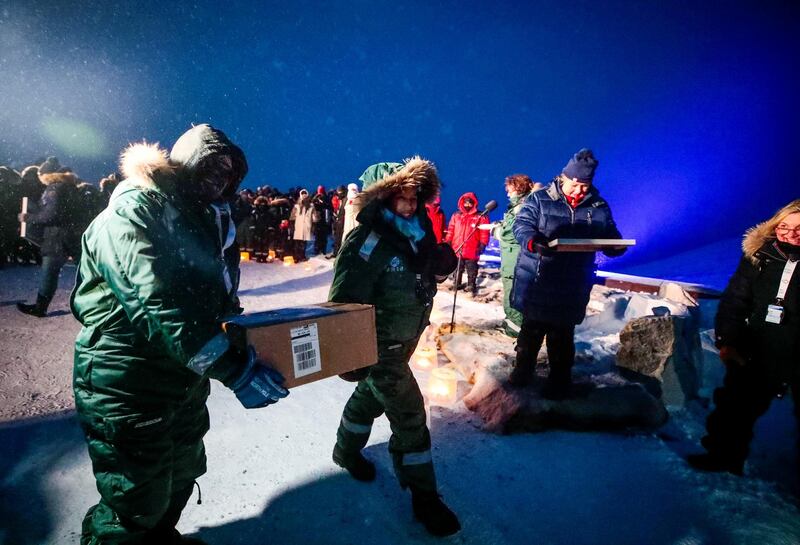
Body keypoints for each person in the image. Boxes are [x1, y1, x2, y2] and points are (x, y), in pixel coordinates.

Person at [71, 124, 289, 545]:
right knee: (134, 498)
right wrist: (232, 368)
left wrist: (245, 339)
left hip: (182, 377)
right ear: (184, 164)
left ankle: (159, 537)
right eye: (210, 166)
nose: (219, 178)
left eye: (228, 172)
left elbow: (214, 294)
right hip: (128, 379)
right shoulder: (135, 211)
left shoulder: (201, 218)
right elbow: (157, 305)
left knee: (181, 472)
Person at [329, 157, 461, 537]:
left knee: (369, 398)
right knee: (409, 417)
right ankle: (425, 498)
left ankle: (346, 451)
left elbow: (420, 284)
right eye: (399, 197)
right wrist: (347, 351)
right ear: (381, 199)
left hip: (407, 338)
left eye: (413, 197)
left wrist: (437, 269)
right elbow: (344, 300)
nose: (408, 204)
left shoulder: (418, 232)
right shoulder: (367, 241)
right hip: (379, 344)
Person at [688, 199, 800, 477]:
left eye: (799, 228)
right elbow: (736, 300)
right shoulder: (761, 256)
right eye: (784, 226)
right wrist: (728, 341)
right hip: (758, 346)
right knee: (734, 408)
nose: (790, 234)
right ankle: (723, 457)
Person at [510, 149, 626, 398]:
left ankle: (559, 382)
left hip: (573, 282)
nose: (580, 191)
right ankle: (522, 372)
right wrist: (533, 241)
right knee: (531, 331)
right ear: (564, 178)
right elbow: (521, 226)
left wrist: (616, 245)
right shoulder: (540, 199)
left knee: (562, 336)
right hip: (539, 280)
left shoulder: (597, 206)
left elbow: (610, 233)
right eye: (575, 185)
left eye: (585, 186)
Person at [16, 171, 83, 317]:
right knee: (83, 272)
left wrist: (29, 217)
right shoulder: (72, 188)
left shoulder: (54, 188)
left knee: (49, 272)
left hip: (56, 238)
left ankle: (40, 307)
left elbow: (51, 215)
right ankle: (91, 306)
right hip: (73, 236)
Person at [494, 174, 538, 337]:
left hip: (516, 261)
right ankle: (511, 325)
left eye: (509, 189)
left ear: (518, 188)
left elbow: (511, 234)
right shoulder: (520, 206)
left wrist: (496, 231)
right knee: (513, 294)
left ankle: (514, 332)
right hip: (514, 259)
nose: (507, 193)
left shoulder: (523, 206)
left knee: (513, 297)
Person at [445, 192, 489, 296]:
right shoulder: (456, 215)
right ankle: (457, 282)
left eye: (470, 203)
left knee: (472, 268)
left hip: (472, 248)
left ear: (474, 204)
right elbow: (451, 229)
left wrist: (483, 244)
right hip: (458, 247)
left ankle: (471, 285)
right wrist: (448, 241)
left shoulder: (480, 216)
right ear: (462, 203)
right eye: (466, 203)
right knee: (457, 267)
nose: (467, 205)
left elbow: (484, 232)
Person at [290, 188, 313, 262]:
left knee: (303, 242)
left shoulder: (311, 206)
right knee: (297, 242)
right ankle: (296, 256)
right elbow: (292, 216)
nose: (304, 196)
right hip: (298, 226)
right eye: (302, 194)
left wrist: (315, 221)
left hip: (306, 226)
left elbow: (314, 216)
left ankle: (302, 256)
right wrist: (292, 225)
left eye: (305, 194)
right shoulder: (297, 205)